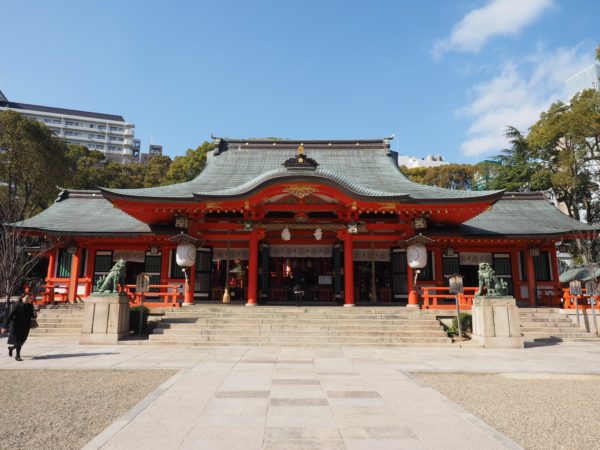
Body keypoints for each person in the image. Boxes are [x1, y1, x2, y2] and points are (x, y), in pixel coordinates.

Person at [1, 292, 35, 362]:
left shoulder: (30, 306)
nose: (28, 299)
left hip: (25, 326)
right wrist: (5, 326)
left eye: (29, 298)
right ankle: (17, 356)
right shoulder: (17, 305)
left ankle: (11, 348)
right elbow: (9, 316)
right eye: (26, 298)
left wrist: (34, 315)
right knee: (18, 340)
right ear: (22, 298)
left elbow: (31, 315)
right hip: (16, 326)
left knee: (22, 341)